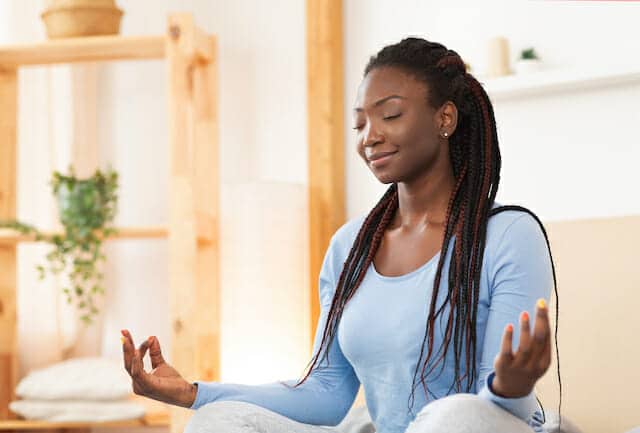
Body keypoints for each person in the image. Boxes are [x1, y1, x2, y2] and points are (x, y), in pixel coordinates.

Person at [121, 37, 558, 433]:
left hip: (484, 426)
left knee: (456, 415)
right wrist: (194, 393)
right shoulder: (350, 249)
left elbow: (496, 416)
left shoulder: (508, 235)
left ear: (445, 118)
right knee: (220, 421)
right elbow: (326, 391)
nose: (371, 137)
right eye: (360, 125)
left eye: (390, 115)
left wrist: (509, 387)